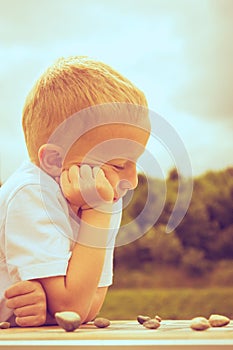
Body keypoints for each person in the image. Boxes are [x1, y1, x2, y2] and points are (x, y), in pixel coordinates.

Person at [0, 56, 150, 327]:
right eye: (118, 164)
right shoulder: (31, 194)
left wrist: (49, 309)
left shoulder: (103, 200)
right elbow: (72, 308)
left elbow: (88, 306)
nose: (133, 180)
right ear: (55, 162)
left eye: (135, 163)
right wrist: (97, 214)